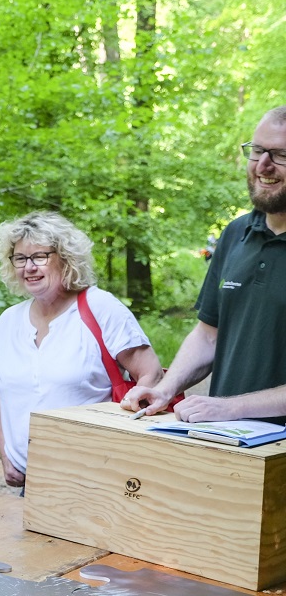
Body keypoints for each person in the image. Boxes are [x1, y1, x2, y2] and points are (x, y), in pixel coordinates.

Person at [124, 107, 286, 424]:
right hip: (228, 447)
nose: (262, 165)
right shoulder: (236, 234)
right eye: (256, 151)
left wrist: (233, 408)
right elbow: (208, 335)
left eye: (280, 155)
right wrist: (165, 389)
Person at [0, 211, 163, 488]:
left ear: (65, 258)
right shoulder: (8, 320)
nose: (29, 267)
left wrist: (126, 444)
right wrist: (7, 455)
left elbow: (150, 374)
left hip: (96, 477)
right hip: (31, 481)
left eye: (40, 256)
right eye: (20, 258)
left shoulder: (101, 307)